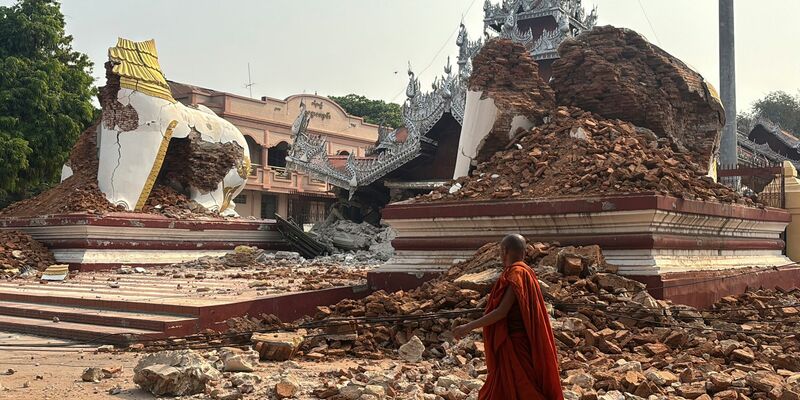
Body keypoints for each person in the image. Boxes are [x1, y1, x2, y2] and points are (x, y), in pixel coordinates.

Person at [453, 234, 563, 400]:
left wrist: (467, 327)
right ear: (524, 253)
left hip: (512, 343)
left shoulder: (516, 273)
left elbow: (501, 312)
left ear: (504, 251)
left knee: (518, 388)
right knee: (518, 387)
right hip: (521, 342)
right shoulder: (527, 272)